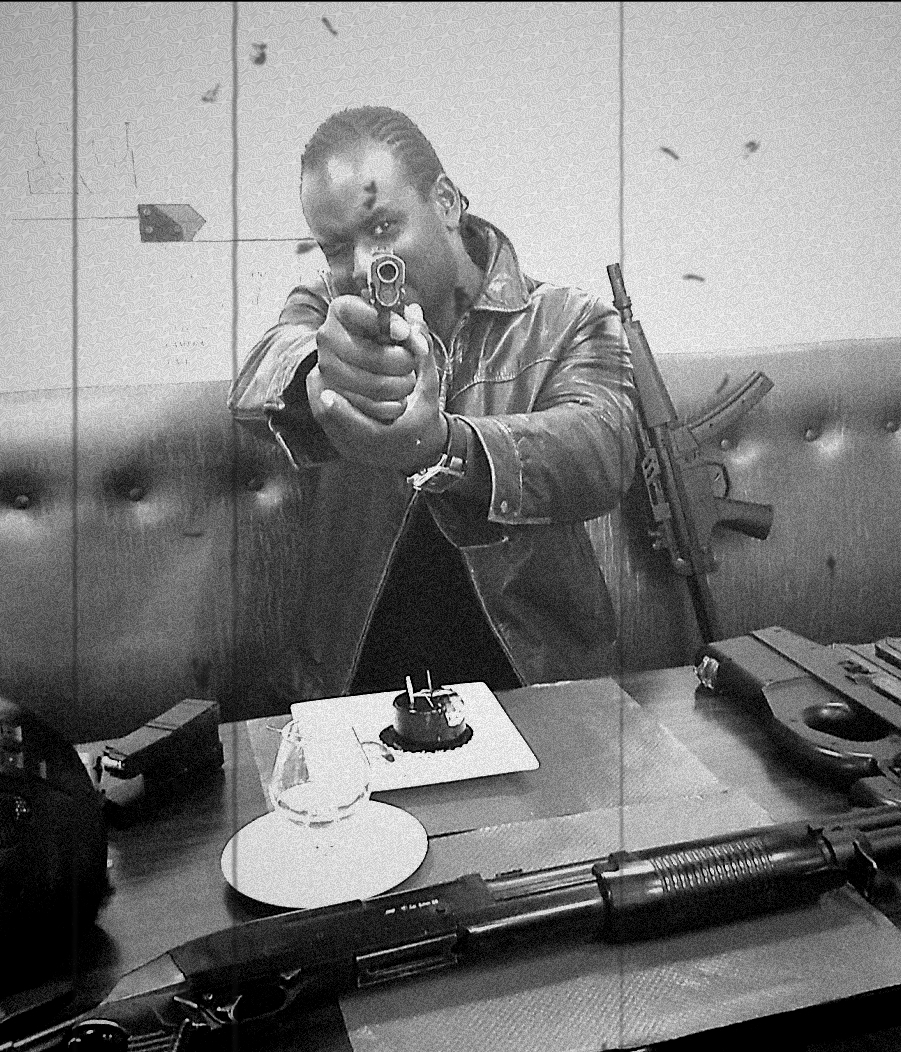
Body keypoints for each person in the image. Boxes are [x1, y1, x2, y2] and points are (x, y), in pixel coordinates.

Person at [229, 105, 639, 707]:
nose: (364, 268)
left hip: (535, 680)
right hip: (354, 679)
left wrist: (445, 448)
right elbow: (257, 378)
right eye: (336, 248)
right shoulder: (327, 306)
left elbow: (605, 449)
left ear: (445, 202)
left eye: (382, 228)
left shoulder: (569, 320)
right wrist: (323, 379)